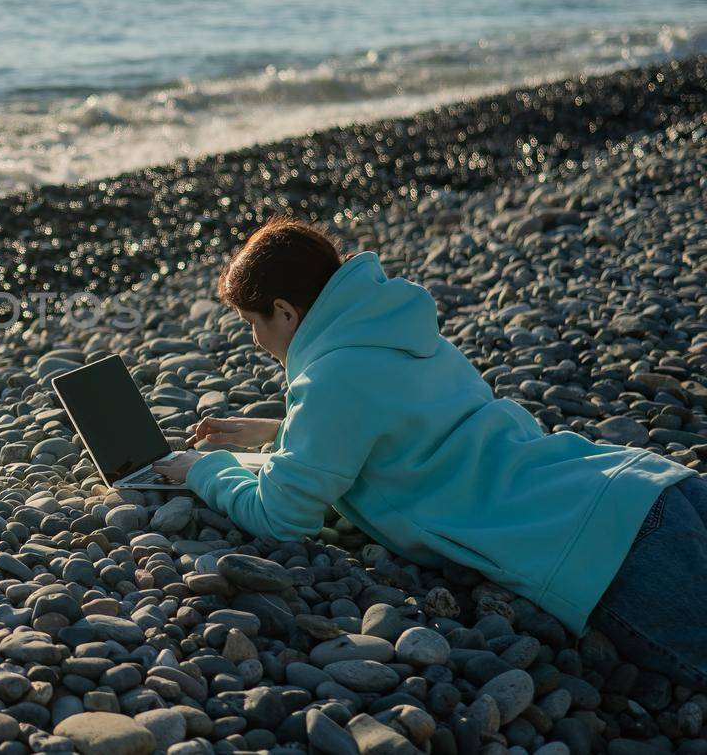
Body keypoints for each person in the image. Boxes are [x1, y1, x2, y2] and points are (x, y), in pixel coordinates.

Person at [151, 217, 707, 687]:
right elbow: (410, 430)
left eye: (253, 323)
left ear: (286, 312)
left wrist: (206, 470)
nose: (253, 339)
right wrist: (281, 432)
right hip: (639, 483)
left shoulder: (332, 378)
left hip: (603, 547)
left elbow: (281, 517)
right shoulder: (401, 332)